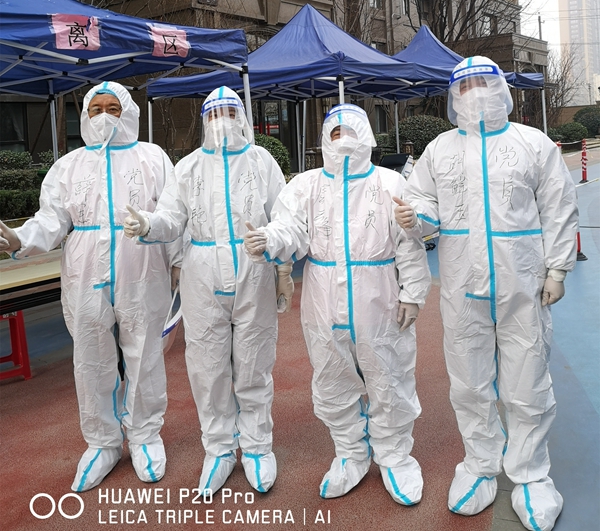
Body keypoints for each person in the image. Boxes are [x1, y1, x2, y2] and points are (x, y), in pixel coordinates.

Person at [395, 57, 578, 531]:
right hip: (462, 286)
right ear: (453, 97)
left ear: (501, 89)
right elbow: (422, 199)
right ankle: (479, 465)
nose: (475, 92)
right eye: (466, 86)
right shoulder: (440, 149)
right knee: (469, 382)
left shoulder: (531, 144)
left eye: (483, 83)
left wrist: (557, 268)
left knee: (527, 380)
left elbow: (558, 206)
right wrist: (418, 218)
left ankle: (531, 475)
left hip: (523, 283)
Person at [243, 104, 431, 504]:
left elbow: (409, 242)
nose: (343, 139)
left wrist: (412, 293)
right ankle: (350, 453)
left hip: (379, 294)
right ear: (324, 140)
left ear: (367, 136)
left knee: (389, 376)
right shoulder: (306, 185)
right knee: (332, 378)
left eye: (351, 130)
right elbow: (290, 228)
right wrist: (270, 240)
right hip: (323, 297)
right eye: (334, 132)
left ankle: (395, 457)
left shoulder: (389, 182)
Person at [0, 81, 181, 492]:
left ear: (128, 112)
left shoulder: (153, 157)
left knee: (144, 353)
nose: (104, 116)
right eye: (95, 109)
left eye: (113, 108)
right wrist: (20, 238)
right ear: (84, 116)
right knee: (90, 356)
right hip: (84, 268)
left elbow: (174, 212)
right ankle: (102, 442)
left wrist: (176, 257)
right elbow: (52, 220)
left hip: (142, 262)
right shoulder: (69, 165)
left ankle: (145, 436)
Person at [123, 86, 288, 494]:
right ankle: (218, 448)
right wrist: (148, 225)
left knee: (254, 362)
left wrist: (280, 259)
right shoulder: (189, 167)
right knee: (207, 365)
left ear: (242, 117)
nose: (222, 121)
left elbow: (284, 215)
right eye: (214, 114)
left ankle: (257, 447)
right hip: (202, 271)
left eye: (230, 112)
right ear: (204, 121)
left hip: (253, 268)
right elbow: (171, 217)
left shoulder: (262, 161)